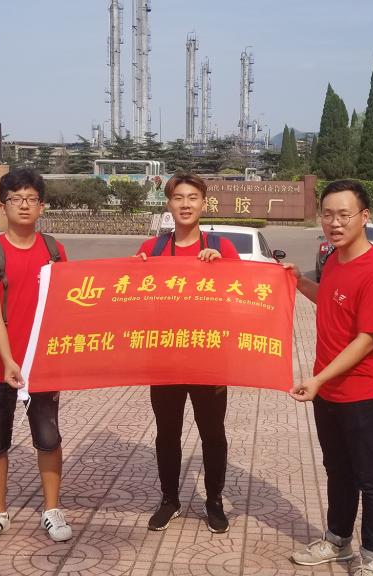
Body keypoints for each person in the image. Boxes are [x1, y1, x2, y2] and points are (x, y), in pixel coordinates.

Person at [284, 180, 373, 576]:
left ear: (364, 217)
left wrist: (317, 379)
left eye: (344, 215)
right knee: (338, 470)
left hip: (367, 394)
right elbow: (331, 301)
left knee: (371, 478)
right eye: (328, 214)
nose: (334, 223)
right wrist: (299, 281)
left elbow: (368, 340)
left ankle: (372, 558)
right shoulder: (334, 260)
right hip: (330, 392)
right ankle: (337, 540)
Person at [0, 168, 72, 547]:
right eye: (15, 199)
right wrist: (10, 360)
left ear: (42, 206)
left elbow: (68, 306)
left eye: (31, 199)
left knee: (48, 437)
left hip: (42, 366)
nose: (24, 205)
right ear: (2, 206)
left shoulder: (55, 251)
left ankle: (52, 509)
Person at [134, 172, 240, 534]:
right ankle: (169, 500)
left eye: (192, 198)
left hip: (209, 358)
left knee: (213, 434)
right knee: (167, 433)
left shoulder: (221, 247)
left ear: (204, 204)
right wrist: (135, 273)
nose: (185, 204)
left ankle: (214, 501)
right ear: (168, 204)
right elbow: (134, 302)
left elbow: (242, 297)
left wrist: (223, 268)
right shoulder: (152, 249)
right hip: (164, 358)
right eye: (178, 197)